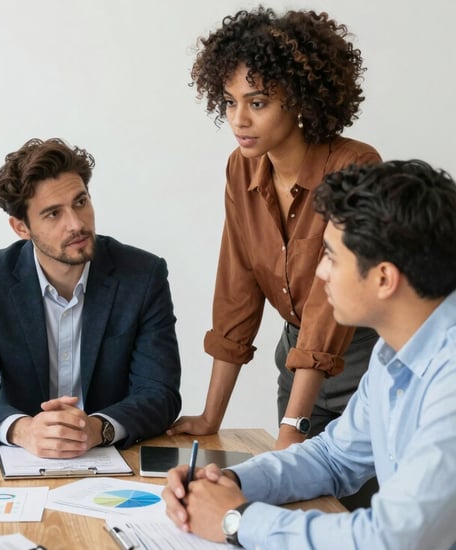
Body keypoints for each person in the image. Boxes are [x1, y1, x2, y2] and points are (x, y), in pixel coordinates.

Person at [163, 159, 456, 549]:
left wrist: (237, 520)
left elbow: (393, 538)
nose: (320, 273)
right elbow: (334, 458)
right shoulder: (394, 350)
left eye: (332, 257)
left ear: (384, 278)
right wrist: (229, 482)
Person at [169, 7, 381, 452]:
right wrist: (211, 417)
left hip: (364, 364)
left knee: (351, 512)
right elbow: (237, 289)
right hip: (295, 363)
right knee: (294, 504)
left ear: (300, 100)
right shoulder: (240, 169)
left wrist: (292, 427)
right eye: (229, 101)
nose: (238, 119)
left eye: (257, 102)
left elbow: (328, 306)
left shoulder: (353, 166)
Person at [0, 138, 181, 457]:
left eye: (81, 202)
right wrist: (24, 430)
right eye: (54, 214)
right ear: (20, 227)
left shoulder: (142, 274)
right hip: (22, 457)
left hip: (114, 455)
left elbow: (160, 392)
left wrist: (98, 429)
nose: (77, 223)